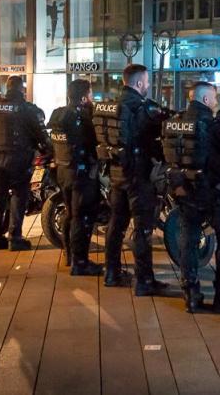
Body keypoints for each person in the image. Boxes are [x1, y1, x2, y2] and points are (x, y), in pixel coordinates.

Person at [162, 83, 220, 314]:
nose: (215, 102)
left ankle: (191, 295)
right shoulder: (216, 126)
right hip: (213, 192)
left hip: (183, 192)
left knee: (188, 241)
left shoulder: (172, 122)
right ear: (204, 99)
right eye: (213, 98)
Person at [93, 64, 171, 292]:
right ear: (138, 83)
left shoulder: (111, 106)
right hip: (139, 177)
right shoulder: (143, 109)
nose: (147, 86)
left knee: (116, 224)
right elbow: (160, 136)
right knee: (143, 229)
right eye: (146, 82)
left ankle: (111, 273)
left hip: (116, 174)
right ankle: (145, 281)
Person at [0, 76, 50, 251]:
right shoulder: (27, 109)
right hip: (19, 159)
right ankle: (15, 237)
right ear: (21, 89)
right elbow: (42, 136)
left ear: (7, 87)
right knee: (19, 195)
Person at [47, 79, 103, 275]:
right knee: (83, 217)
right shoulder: (83, 117)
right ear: (83, 96)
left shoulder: (59, 114)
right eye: (90, 94)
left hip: (63, 171)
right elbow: (95, 142)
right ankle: (81, 263)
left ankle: (70, 255)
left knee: (70, 214)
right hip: (82, 174)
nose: (91, 97)